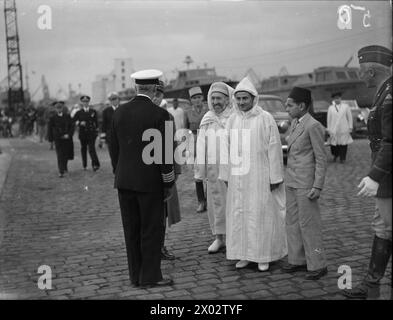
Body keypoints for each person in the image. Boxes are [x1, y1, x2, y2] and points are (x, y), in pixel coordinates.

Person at [110, 69, 175, 287]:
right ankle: (150, 277)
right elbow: (165, 155)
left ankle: (135, 276)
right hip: (150, 182)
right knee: (151, 230)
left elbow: (114, 150)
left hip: (124, 180)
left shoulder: (118, 112)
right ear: (155, 88)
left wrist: (120, 173)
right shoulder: (160, 115)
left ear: (137, 88)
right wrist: (168, 182)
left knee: (131, 230)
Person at [219, 77, 287, 272]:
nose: (241, 102)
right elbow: (226, 148)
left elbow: (274, 148)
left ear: (253, 98)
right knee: (240, 215)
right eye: (238, 99)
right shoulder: (232, 119)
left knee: (260, 215)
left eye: (245, 99)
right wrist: (226, 175)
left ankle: (263, 256)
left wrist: (275, 177)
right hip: (238, 178)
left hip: (260, 176)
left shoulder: (265, 118)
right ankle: (243, 255)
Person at [342, 45, 392, 299]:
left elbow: (390, 141)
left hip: (387, 177)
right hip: (385, 177)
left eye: (361, 70)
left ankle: (372, 283)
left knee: (387, 226)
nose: (360, 75)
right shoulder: (384, 92)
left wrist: (375, 176)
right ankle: (372, 283)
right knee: (382, 227)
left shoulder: (389, 95)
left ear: (371, 71)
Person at [282, 87, 328, 280]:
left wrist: (317, 186)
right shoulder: (294, 122)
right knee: (291, 223)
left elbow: (321, 158)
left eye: (290, 105)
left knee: (309, 224)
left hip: (306, 184)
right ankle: (297, 259)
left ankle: (318, 264)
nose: (286, 107)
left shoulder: (313, 125)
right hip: (291, 181)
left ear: (302, 106)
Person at [195, 82, 233, 253]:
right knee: (216, 203)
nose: (216, 101)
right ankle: (219, 238)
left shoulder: (234, 117)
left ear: (227, 99)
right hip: (213, 171)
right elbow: (200, 146)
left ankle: (235, 237)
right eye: (213, 98)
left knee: (233, 203)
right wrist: (199, 171)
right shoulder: (207, 119)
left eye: (219, 98)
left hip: (233, 169)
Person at [153, 81, 182, 260]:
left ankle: (161, 246)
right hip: (146, 172)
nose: (157, 98)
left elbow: (173, 144)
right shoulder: (140, 115)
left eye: (160, 95)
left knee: (162, 212)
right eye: (154, 94)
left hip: (164, 172)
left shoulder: (167, 117)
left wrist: (176, 169)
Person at [186, 86, 208, 213]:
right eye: (194, 98)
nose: (197, 100)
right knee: (198, 174)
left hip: (209, 141)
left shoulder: (208, 109)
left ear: (202, 98)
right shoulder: (187, 112)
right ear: (191, 100)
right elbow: (184, 130)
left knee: (211, 172)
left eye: (199, 97)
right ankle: (201, 201)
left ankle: (210, 199)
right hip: (194, 143)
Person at [47, 101, 74, 178]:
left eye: (60, 108)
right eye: (57, 108)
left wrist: (68, 135)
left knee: (65, 154)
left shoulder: (67, 116)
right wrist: (51, 139)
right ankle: (61, 170)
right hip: (58, 139)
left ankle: (65, 167)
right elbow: (50, 129)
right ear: (55, 109)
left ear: (62, 108)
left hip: (66, 138)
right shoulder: (52, 118)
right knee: (59, 154)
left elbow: (72, 126)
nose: (59, 109)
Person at [73, 95, 100, 171]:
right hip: (83, 133)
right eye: (84, 102)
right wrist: (79, 123)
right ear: (82, 103)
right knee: (83, 149)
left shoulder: (93, 111)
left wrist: (97, 131)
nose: (85, 103)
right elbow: (73, 121)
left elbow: (96, 122)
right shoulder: (78, 112)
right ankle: (84, 164)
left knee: (92, 148)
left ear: (89, 102)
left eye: (87, 101)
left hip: (91, 133)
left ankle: (95, 164)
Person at [327, 92, 353, 163]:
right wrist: (328, 129)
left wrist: (350, 127)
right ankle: (335, 155)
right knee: (334, 145)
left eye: (338, 98)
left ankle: (342, 158)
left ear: (340, 98)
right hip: (334, 129)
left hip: (344, 128)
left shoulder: (346, 106)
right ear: (333, 99)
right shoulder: (331, 108)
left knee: (343, 144)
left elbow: (349, 117)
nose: (337, 100)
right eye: (335, 98)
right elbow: (329, 119)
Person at [102, 92, 120, 173]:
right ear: (110, 101)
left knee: (122, 154)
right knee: (113, 154)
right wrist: (103, 138)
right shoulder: (106, 111)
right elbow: (104, 125)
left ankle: (121, 169)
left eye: (115, 99)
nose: (114, 101)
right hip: (111, 136)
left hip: (121, 135)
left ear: (118, 99)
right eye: (112, 99)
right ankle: (115, 170)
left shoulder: (123, 109)